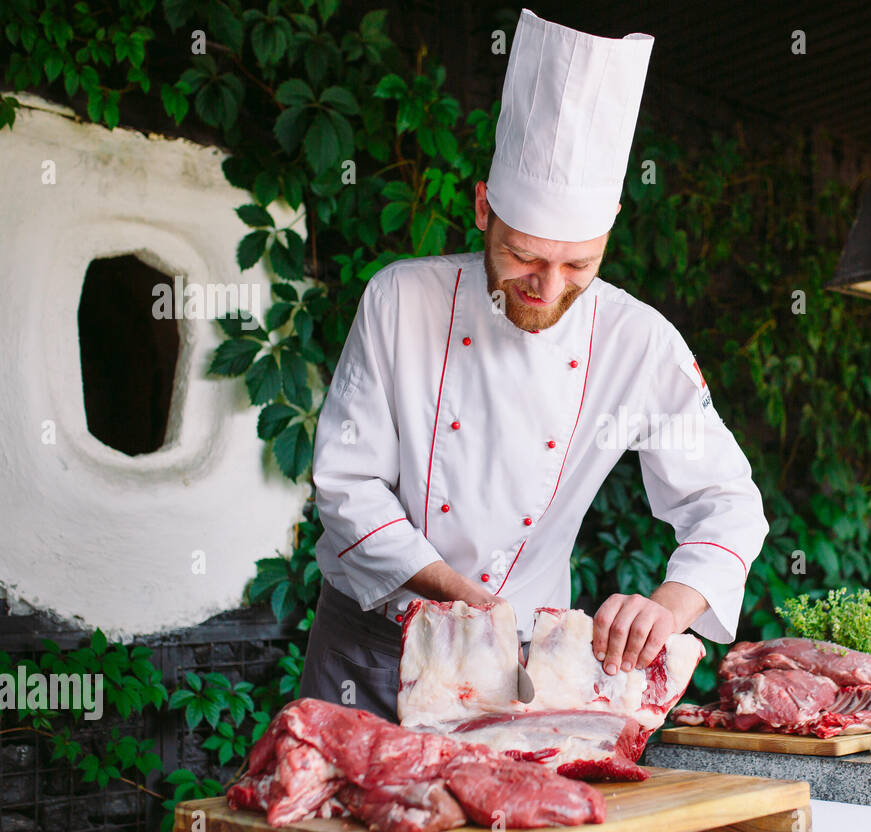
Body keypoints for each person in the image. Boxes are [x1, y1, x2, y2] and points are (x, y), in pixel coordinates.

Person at [300, 8, 768, 720]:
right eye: (523, 255)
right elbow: (345, 483)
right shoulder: (400, 300)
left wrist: (671, 605)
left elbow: (728, 504)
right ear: (484, 208)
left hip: (517, 665)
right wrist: (447, 590)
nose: (548, 288)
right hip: (368, 645)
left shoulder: (637, 345)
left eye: (578, 263)